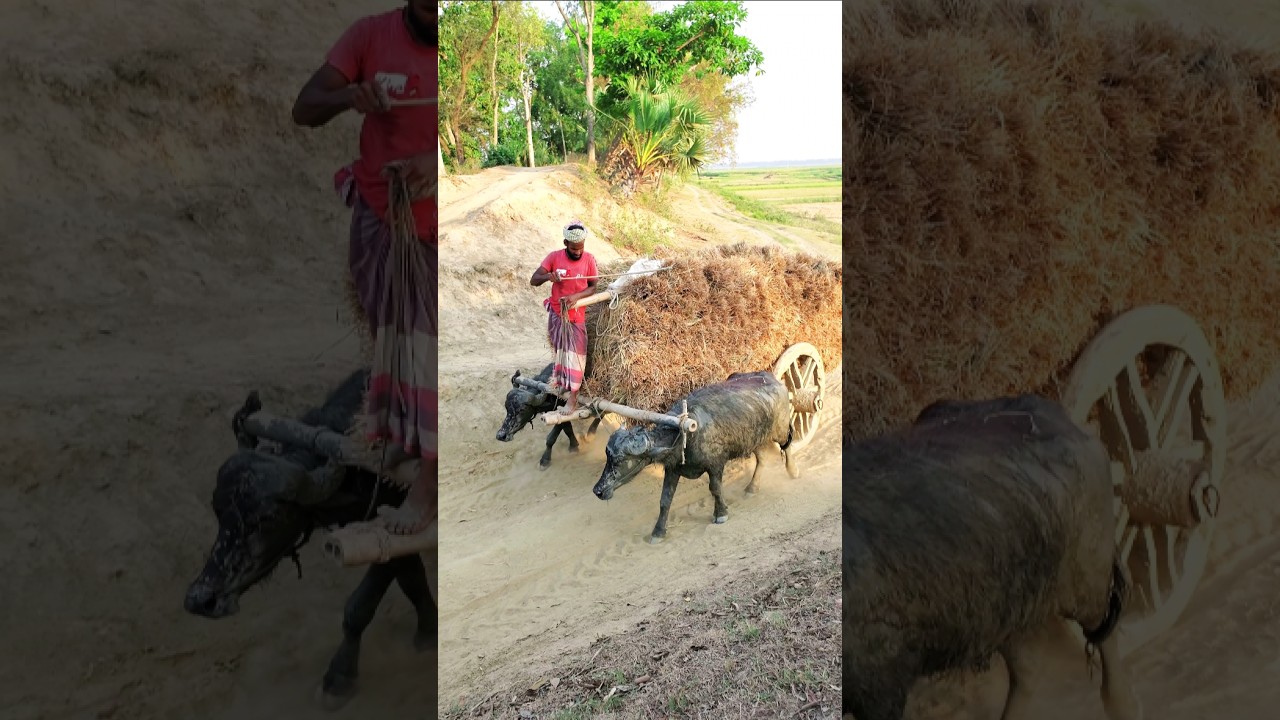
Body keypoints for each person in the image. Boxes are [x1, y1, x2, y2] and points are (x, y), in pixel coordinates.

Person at [291, 0, 437, 536]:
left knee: (428, 352)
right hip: (380, 216)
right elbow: (304, 108)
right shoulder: (368, 38)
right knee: (391, 337)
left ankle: (429, 488)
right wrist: (347, 95)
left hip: (442, 230)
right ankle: (406, 435)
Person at [530, 221, 599, 414]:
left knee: (575, 358)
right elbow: (533, 280)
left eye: (581, 248)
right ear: (565, 243)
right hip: (557, 316)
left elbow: (593, 287)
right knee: (560, 352)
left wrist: (576, 297)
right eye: (574, 248)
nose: (578, 252)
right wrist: (548, 276)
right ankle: (562, 384)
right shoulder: (554, 257)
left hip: (576, 317)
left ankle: (573, 399)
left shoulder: (589, 260)